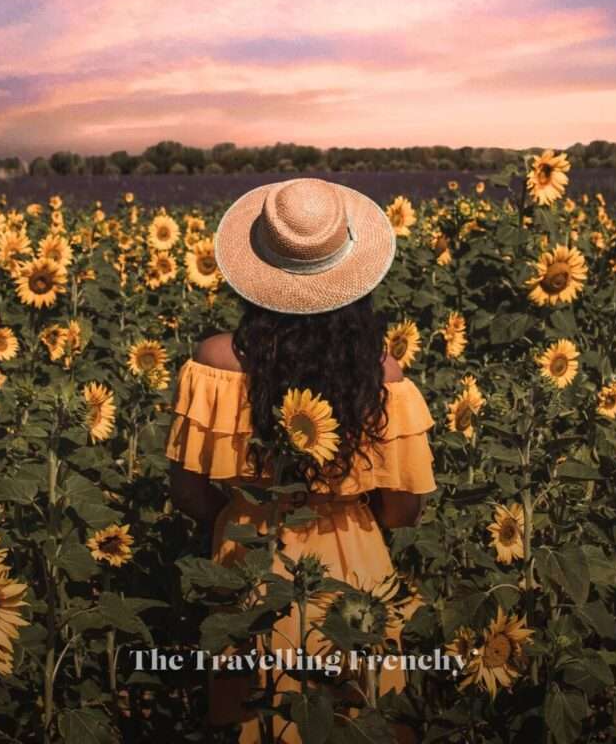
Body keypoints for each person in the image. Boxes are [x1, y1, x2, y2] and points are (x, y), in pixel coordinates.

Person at [166, 177, 437, 743]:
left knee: (254, 721)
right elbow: (402, 511)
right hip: (353, 567)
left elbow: (188, 493)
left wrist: (247, 512)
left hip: (247, 562)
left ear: (255, 273)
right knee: (358, 722)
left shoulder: (216, 362)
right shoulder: (382, 375)